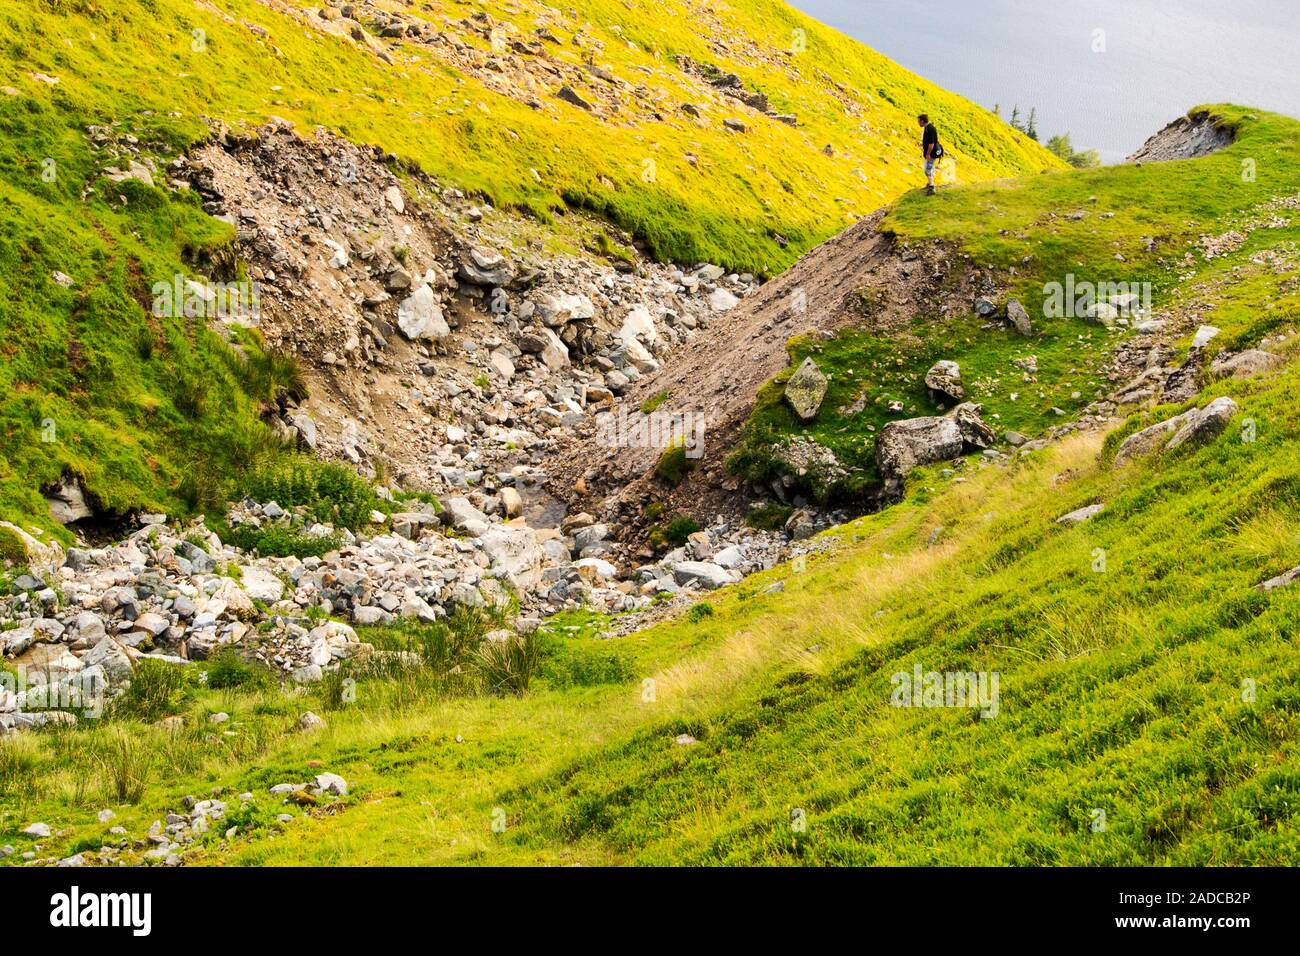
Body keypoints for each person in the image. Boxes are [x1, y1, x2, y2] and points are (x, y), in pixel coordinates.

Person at [918, 114, 943, 195]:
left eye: (919, 121)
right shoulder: (927, 128)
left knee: (927, 170)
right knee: (930, 168)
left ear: (922, 121)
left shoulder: (930, 129)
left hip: (931, 153)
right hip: (931, 152)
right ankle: (929, 183)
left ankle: (931, 188)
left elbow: (931, 144)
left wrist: (928, 154)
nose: (918, 123)